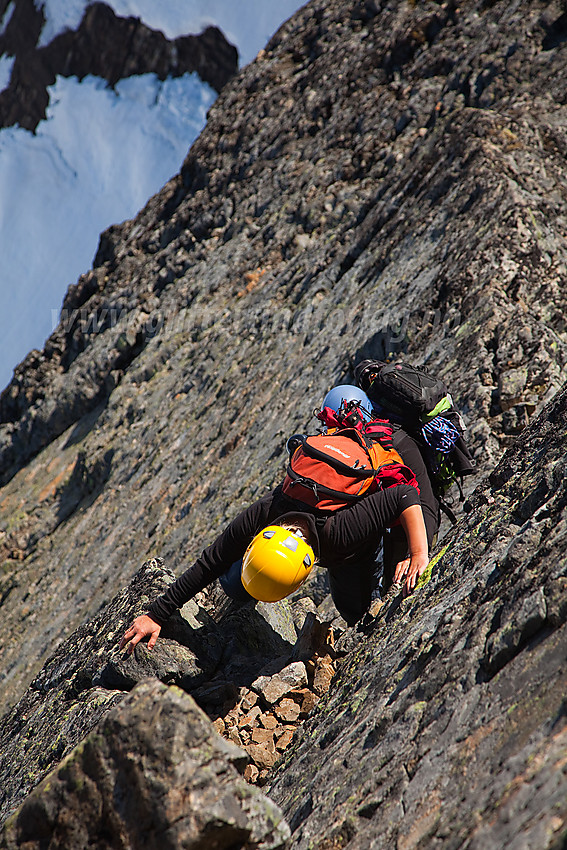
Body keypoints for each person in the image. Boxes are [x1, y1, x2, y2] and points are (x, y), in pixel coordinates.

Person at [119, 464, 429, 654]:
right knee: (235, 584)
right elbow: (210, 562)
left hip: (371, 539)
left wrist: (416, 553)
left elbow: (404, 495)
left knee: (357, 608)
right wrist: (157, 614)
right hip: (331, 540)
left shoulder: (341, 531)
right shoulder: (263, 513)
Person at [316, 384, 441, 596]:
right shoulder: (350, 449)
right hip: (382, 533)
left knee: (388, 590)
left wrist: (418, 553)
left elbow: (425, 501)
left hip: (408, 533)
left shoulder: (396, 443)